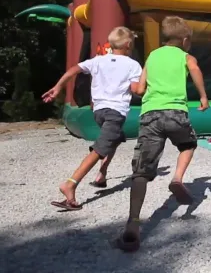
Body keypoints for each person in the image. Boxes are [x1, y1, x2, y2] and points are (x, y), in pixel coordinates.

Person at [118, 16, 209, 252]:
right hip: (176, 112)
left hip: (150, 115)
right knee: (188, 144)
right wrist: (203, 95)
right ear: (185, 39)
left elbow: (140, 88)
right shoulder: (185, 57)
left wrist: (132, 89)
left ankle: (133, 222)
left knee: (141, 170)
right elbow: (195, 69)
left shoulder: (152, 56)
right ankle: (177, 178)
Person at [43, 27, 142, 210]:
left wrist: (58, 87)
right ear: (129, 44)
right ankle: (71, 184)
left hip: (98, 112)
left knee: (114, 138)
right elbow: (137, 90)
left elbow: (74, 70)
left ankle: (101, 174)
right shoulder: (132, 65)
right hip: (115, 113)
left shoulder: (98, 60)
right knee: (99, 149)